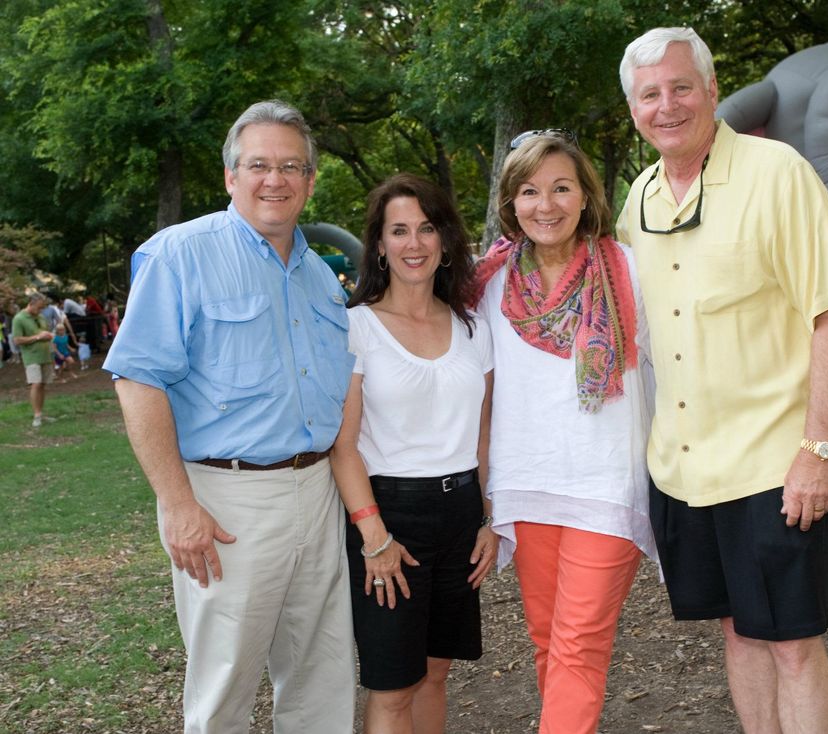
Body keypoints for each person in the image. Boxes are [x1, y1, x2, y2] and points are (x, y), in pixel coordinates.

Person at [617, 27, 828, 734]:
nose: (667, 106)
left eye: (680, 87)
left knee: (792, 644)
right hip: (685, 470)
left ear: (713, 90)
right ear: (634, 109)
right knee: (738, 631)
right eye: (649, 94)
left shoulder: (776, 172)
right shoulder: (638, 201)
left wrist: (817, 450)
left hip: (774, 465)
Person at [103, 100, 356, 733]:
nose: (276, 179)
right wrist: (178, 505)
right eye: (259, 165)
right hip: (227, 503)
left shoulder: (320, 278)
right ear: (230, 175)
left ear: (310, 180)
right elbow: (137, 380)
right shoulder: (179, 255)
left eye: (292, 166)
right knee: (223, 689)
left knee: (322, 679)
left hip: (317, 491)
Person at [472, 130, 656, 734]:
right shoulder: (490, 283)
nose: (545, 205)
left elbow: (670, 366)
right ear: (511, 202)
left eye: (560, 188)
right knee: (549, 642)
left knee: (578, 646)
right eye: (529, 191)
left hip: (605, 485)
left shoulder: (628, 268)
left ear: (585, 196)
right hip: (525, 484)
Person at [331, 173, 498, 733]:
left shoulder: (473, 328)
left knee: (435, 673)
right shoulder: (356, 327)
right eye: (398, 230)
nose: (414, 243)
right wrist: (374, 538)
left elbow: (483, 433)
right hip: (390, 518)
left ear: (445, 240)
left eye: (427, 228)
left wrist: (489, 518)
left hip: (460, 515)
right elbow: (343, 447)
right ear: (379, 245)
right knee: (393, 685)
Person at [12, 293, 56, 427]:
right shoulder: (19, 318)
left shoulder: (40, 317)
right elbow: (17, 340)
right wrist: (37, 337)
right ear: (31, 303)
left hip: (45, 355)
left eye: (42, 308)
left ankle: (41, 414)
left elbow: (44, 332)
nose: (40, 310)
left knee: (42, 384)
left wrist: (48, 336)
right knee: (35, 384)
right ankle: (36, 416)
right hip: (31, 357)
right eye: (39, 307)